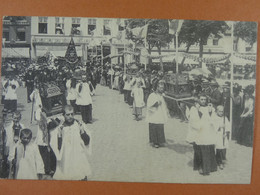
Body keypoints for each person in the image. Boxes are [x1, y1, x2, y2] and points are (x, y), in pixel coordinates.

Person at [50, 105, 92, 180]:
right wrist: (59, 135)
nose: (70, 116)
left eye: (72, 114)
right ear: (63, 115)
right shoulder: (60, 128)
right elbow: (58, 148)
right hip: (66, 159)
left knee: (81, 177)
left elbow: (87, 142)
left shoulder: (79, 125)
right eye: (68, 114)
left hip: (78, 157)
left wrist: (82, 131)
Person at [196, 94, 217, 175]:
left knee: (210, 148)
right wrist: (198, 111)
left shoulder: (210, 108)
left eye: (205, 99)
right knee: (202, 149)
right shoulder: (196, 108)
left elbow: (212, 119)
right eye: (201, 99)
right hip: (201, 131)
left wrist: (211, 111)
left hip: (209, 131)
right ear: (199, 100)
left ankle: (212, 167)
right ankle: (203, 167)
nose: (203, 101)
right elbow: (195, 119)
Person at [146, 80, 169, 148]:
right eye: (161, 88)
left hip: (160, 113)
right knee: (154, 126)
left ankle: (160, 141)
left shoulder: (161, 95)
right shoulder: (152, 95)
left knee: (160, 126)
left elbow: (164, 105)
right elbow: (149, 105)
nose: (162, 89)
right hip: (154, 114)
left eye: (163, 88)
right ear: (157, 88)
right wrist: (156, 104)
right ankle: (155, 142)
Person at [212, 105, 230, 170]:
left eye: (222, 111)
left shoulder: (225, 118)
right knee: (219, 149)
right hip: (218, 135)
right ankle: (219, 162)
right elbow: (213, 126)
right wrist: (219, 126)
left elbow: (228, 126)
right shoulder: (214, 118)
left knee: (224, 148)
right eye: (220, 111)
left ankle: (222, 159)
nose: (221, 113)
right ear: (217, 111)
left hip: (224, 135)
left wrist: (226, 133)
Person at [185, 98, 202, 171]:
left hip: (203, 133)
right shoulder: (193, 110)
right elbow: (192, 122)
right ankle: (197, 166)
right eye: (197, 104)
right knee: (197, 149)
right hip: (196, 132)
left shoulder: (203, 109)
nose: (199, 105)